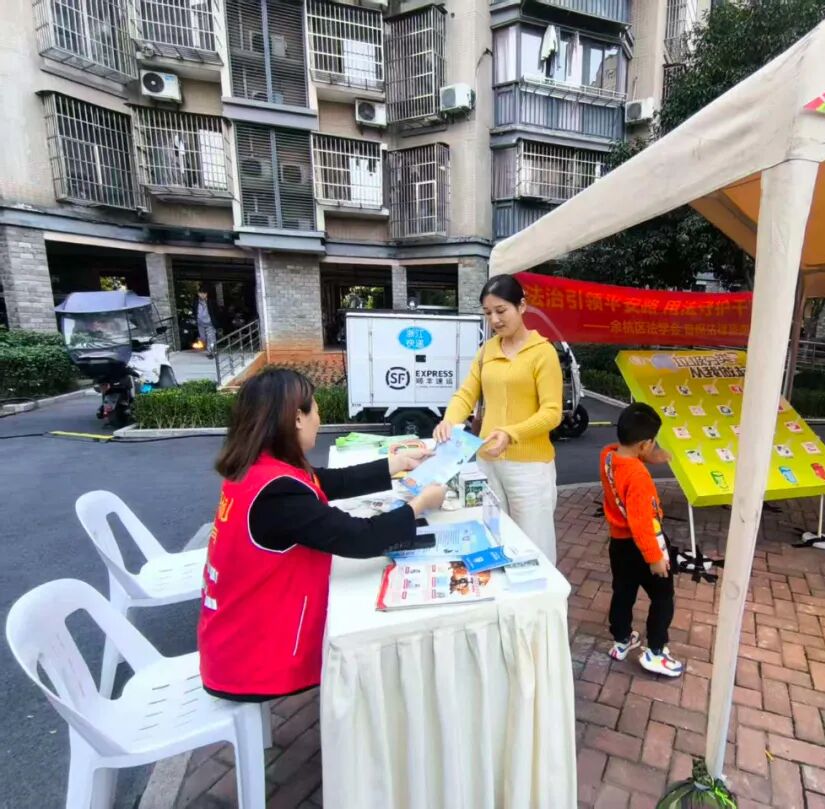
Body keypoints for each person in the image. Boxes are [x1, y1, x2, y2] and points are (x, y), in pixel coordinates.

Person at [197, 368, 446, 702]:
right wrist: (419, 505)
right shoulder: (278, 492)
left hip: (233, 640)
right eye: (315, 409)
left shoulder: (257, 468)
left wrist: (397, 462)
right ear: (297, 418)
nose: (319, 418)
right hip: (251, 661)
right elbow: (359, 538)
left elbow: (325, 481)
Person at [434, 274, 563, 562]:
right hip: (488, 463)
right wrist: (449, 421)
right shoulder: (487, 351)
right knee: (495, 536)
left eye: (501, 310)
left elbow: (552, 412)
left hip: (529, 468)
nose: (494, 320)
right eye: (488, 312)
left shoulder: (543, 353)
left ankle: (539, 592)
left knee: (534, 547)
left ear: (522, 306)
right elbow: (466, 394)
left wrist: (510, 433)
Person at [600, 403, 684, 677]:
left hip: (619, 545)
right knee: (663, 596)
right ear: (644, 444)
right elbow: (642, 523)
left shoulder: (608, 456)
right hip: (642, 546)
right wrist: (654, 558)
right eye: (653, 442)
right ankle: (655, 652)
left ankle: (621, 640)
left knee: (623, 592)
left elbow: (623, 455)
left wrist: (648, 457)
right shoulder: (638, 477)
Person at [194, 286, 221, 358]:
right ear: (198, 294)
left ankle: (212, 352)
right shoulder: (196, 302)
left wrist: (215, 321)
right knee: (203, 338)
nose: (202, 295)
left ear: (207, 294)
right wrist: (196, 319)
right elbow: (194, 311)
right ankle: (209, 349)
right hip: (200, 323)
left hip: (210, 323)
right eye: (201, 293)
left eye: (204, 293)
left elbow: (216, 312)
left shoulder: (211, 302)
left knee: (211, 338)